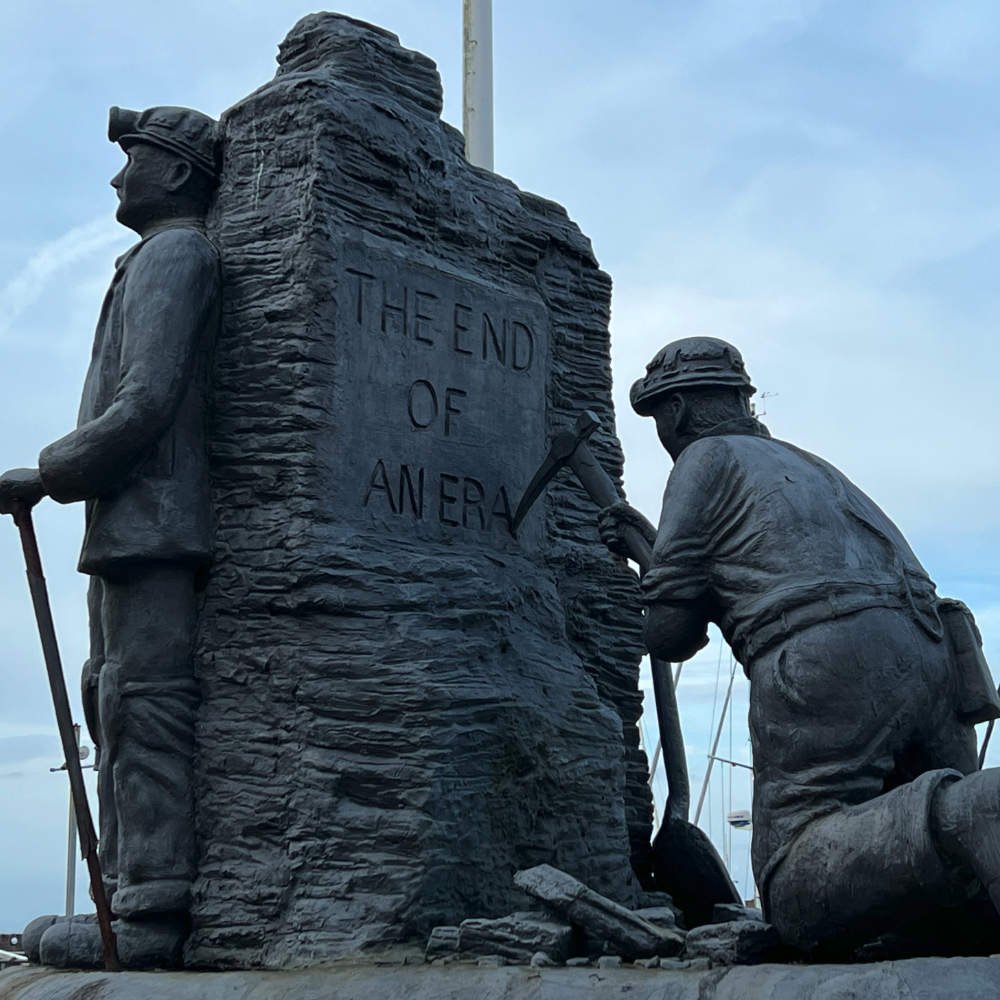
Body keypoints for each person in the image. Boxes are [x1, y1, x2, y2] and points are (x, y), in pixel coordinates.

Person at [600, 336, 1000, 956]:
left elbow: (671, 635)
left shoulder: (702, 460)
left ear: (673, 412)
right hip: (934, 648)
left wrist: (648, 569)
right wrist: (654, 549)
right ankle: (961, 819)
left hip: (828, 654)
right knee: (953, 892)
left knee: (795, 892)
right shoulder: (803, 463)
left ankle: (966, 809)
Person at [0, 106, 221, 967]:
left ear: (172, 173)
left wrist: (48, 474)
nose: (115, 176)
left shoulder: (175, 254)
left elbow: (146, 401)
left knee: (144, 705)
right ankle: (128, 893)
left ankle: (151, 914)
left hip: (155, 523)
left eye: (131, 160)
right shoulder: (153, 256)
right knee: (115, 696)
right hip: (132, 524)